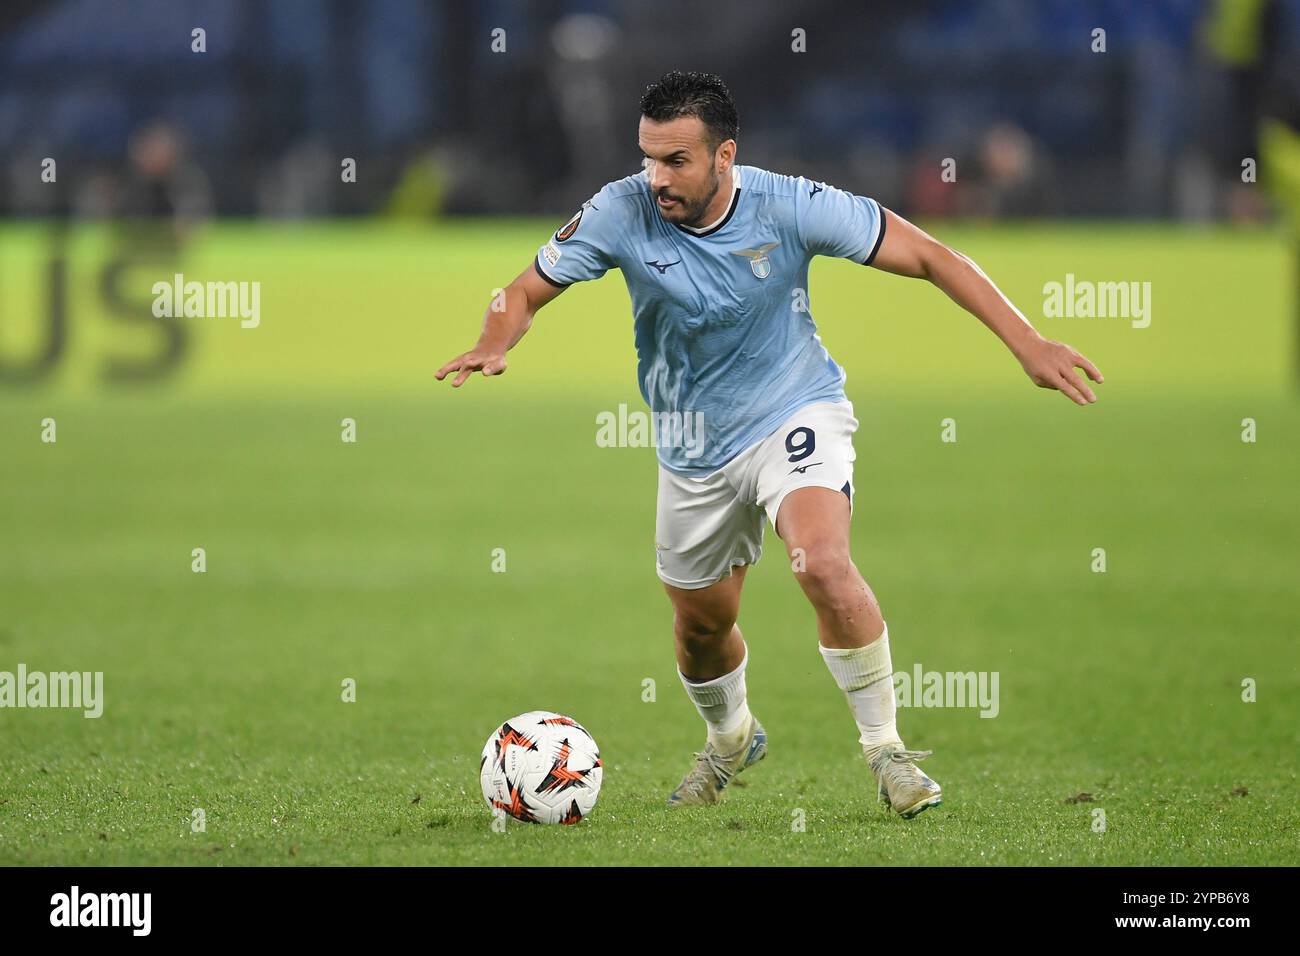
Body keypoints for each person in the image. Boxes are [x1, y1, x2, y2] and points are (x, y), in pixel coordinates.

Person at [438, 71, 1103, 819]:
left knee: (821, 562)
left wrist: (1028, 343)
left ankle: (887, 752)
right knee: (701, 628)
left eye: (676, 161)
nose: (655, 177)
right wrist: (493, 342)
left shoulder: (792, 204)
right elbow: (522, 291)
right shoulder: (619, 210)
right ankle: (731, 739)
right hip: (691, 444)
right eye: (649, 157)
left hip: (795, 409)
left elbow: (931, 256)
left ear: (725, 157)